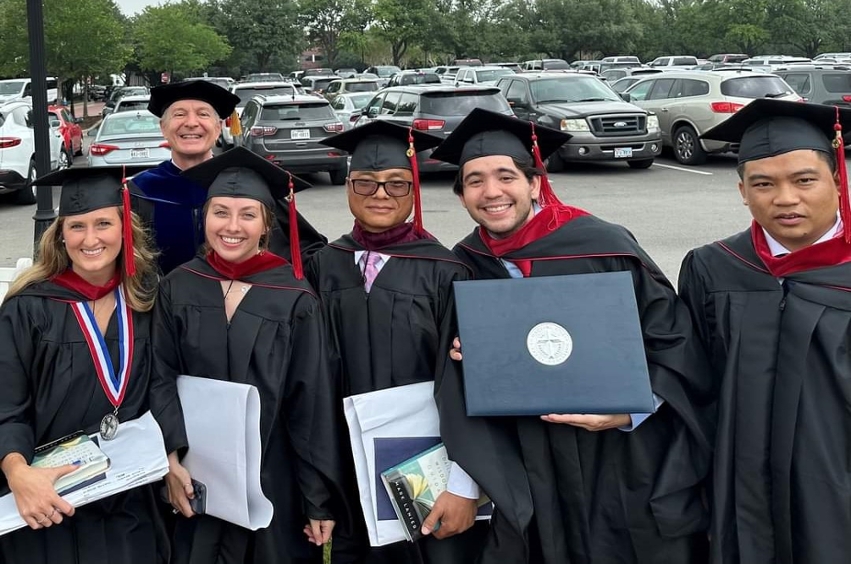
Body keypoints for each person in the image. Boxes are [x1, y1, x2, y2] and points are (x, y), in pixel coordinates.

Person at [429, 109, 716, 563]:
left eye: (506, 176)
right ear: (462, 194)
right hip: (527, 466)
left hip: (621, 461)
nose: (492, 192)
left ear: (534, 183)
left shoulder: (603, 245)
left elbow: (675, 345)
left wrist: (627, 413)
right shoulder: (464, 265)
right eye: (474, 180)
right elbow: (453, 386)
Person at [149, 147, 348, 564]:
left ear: (266, 226)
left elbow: (311, 404)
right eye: (220, 212)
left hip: (272, 480)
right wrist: (169, 461)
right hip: (193, 474)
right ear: (204, 219)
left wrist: (316, 499)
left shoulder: (295, 299)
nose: (232, 226)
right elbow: (160, 376)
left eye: (247, 215)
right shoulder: (178, 287)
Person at [678, 99, 851, 564]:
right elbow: (685, 373)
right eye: (763, 184)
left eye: (804, 179)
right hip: (742, 489)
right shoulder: (713, 268)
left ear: (837, 179)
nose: (785, 198)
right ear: (742, 191)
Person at [308, 121, 488, 564]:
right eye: (364, 183)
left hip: (430, 467)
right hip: (347, 463)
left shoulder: (446, 270)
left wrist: (466, 483)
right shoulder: (323, 266)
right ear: (348, 187)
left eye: (395, 184)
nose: (380, 194)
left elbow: (470, 383)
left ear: (414, 190)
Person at [0, 167, 165, 564]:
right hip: (47, 500)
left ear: (126, 229)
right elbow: (7, 406)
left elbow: (166, 388)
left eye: (104, 223)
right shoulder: (28, 309)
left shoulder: (148, 302)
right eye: (76, 226)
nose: (90, 239)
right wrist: (18, 473)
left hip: (127, 499)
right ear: (60, 234)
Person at [131, 80, 326, 274]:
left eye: (203, 114)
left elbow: (298, 250)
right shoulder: (141, 190)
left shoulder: (247, 183)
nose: (191, 123)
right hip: (161, 302)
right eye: (179, 114)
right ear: (163, 128)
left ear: (218, 128)